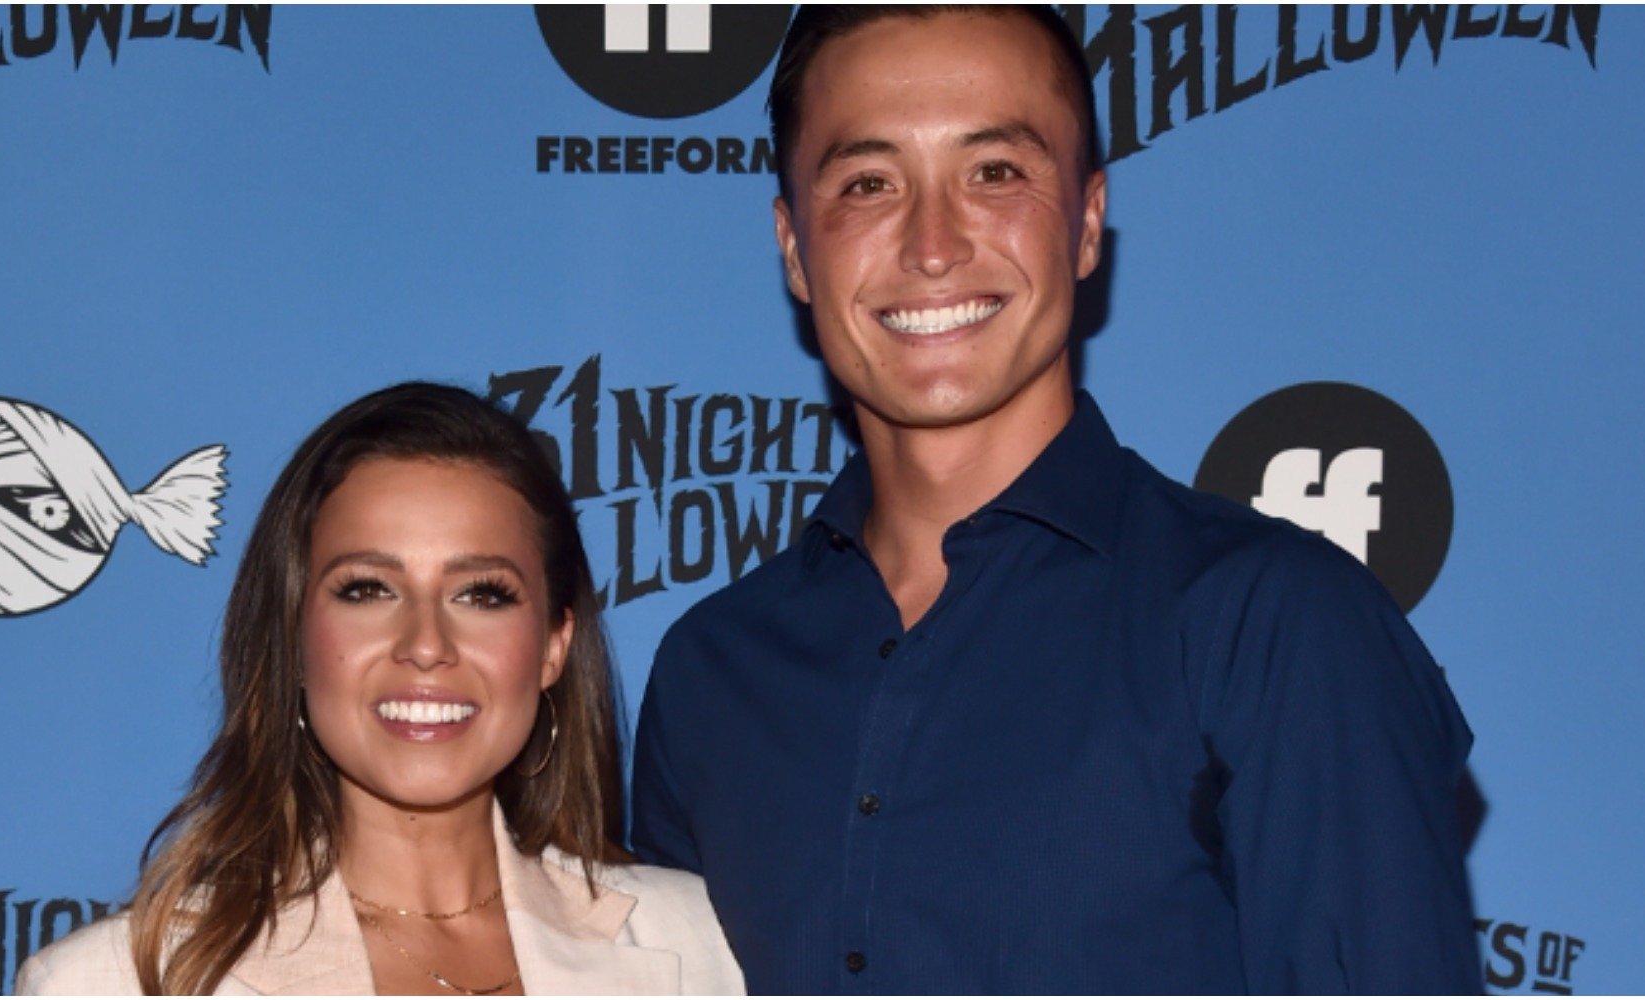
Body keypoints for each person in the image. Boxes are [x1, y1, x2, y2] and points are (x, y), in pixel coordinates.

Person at [630, 6, 1479, 994]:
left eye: (993, 172)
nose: (932, 243)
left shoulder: (1272, 623)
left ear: (1083, 223)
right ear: (792, 248)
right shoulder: (709, 671)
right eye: (867, 183)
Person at [19, 383, 743, 995]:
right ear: (295, 638)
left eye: (481, 595)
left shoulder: (697, 947)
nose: (425, 645)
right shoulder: (117, 981)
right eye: (367, 589)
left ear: (554, 645)